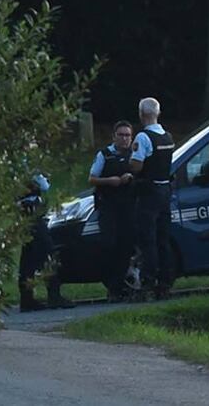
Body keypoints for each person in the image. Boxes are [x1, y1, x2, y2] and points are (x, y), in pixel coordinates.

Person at [129, 97, 175, 299]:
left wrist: (129, 164)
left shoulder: (143, 138)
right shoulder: (168, 137)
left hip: (148, 192)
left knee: (148, 240)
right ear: (158, 113)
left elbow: (137, 165)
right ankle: (165, 282)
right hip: (165, 190)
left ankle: (148, 282)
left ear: (141, 114)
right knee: (163, 239)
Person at [88, 121, 137, 302]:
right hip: (108, 207)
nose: (124, 139)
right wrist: (111, 181)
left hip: (128, 208)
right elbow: (92, 178)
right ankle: (110, 284)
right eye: (121, 135)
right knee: (109, 245)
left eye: (127, 135)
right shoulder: (104, 155)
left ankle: (118, 287)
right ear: (114, 136)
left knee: (126, 248)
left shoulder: (134, 155)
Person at [17, 173, 74, 311]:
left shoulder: (15, 166)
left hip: (23, 213)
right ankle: (54, 296)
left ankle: (26, 299)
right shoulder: (30, 168)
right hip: (33, 212)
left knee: (28, 259)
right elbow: (45, 186)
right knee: (48, 253)